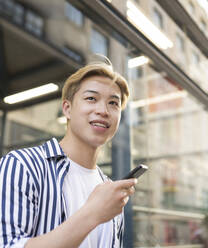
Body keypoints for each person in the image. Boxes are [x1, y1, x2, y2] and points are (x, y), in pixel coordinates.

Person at [0, 56, 137, 248]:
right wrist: (92, 214)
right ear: (67, 108)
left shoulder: (109, 191)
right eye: (91, 98)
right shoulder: (22, 166)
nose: (103, 110)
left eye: (113, 103)